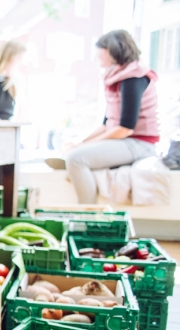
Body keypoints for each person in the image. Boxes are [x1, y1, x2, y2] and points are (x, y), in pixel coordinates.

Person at [62, 30, 159, 204]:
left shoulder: (133, 79)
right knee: (75, 151)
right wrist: (80, 142)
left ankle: (87, 217)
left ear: (112, 50)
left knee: (76, 159)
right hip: (126, 142)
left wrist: (82, 147)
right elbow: (106, 125)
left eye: (99, 51)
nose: (96, 57)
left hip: (140, 144)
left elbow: (124, 129)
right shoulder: (118, 78)